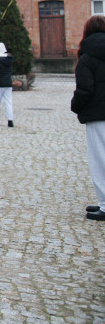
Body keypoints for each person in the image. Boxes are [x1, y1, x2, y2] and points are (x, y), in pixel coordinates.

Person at [71, 15, 105, 221]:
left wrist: (75, 107)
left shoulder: (87, 56)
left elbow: (85, 89)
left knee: (100, 159)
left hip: (97, 113)